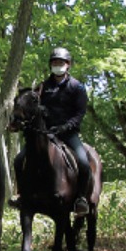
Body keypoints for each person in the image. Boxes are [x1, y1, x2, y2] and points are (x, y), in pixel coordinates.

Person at [38, 47, 92, 215]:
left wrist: (65, 126)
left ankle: (81, 198)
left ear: (68, 65)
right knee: (21, 159)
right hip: (47, 134)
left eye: (61, 63)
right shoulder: (43, 87)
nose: (57, 65)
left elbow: (80, 113)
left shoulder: (77, 87)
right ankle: (23, 195)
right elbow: (37, 108)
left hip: (68, 134)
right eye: (54, 63)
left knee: (83, 162)